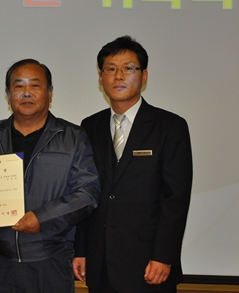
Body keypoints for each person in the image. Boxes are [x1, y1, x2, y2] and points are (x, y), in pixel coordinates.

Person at [73, 36, 193, 293]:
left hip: (149, 264)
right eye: (110, 69)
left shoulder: (170, 127)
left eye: (128, 68)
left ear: (144, 75)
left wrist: (164, 256)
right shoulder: (90, 126)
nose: (119, 76)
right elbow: (84, 192)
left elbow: (176, 199)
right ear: (100, 77)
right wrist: (80, 250)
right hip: (100, 262)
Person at [0, 58, 100, 293]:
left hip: (51, 261)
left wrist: (42, 217)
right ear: (8, 94)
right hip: (0, 263)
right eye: (18, 86)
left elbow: (87, 193)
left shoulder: (72, 137)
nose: (26, 93)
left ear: (49, 93)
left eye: (35, 85)